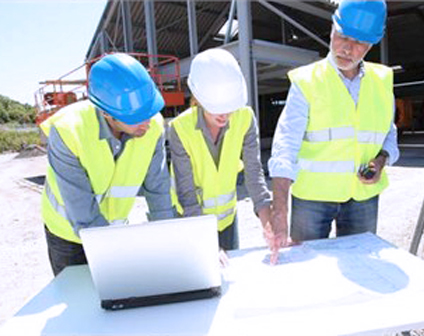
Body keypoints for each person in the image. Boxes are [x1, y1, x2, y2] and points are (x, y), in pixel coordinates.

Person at [268, 0, 399, 263]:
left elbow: (389, 135)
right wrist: (279, 209)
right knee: (305, 269)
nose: (348, 48)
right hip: (311, 200)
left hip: (363, 197)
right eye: (343, 36)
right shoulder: (306, 81)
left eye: (359, 42)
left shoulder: (383, 81)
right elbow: (285, 144)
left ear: (371, 44)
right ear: (332, 29)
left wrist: (381, 161)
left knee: (362, 264)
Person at [40, 53, 176, 275]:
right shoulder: (68, 131)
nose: (147, 122)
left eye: (149, 112)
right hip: (66, 235)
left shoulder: (154, 127)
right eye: (136, 116)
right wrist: (113, 256)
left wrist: (170, 244)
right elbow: (83, 212)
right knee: (79, 301)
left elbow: (159, 191)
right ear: (105, 112)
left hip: (111, 230)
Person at [169, 48, 272, 251]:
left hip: (227, 220)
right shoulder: (180, 128)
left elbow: (253, 172)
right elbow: (187, 194)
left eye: (230, 106)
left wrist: (268, 224)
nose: (225, 114)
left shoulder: (245, 117)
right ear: (198, 97)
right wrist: (207, 247)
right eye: (216, 107)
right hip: (191, 220)